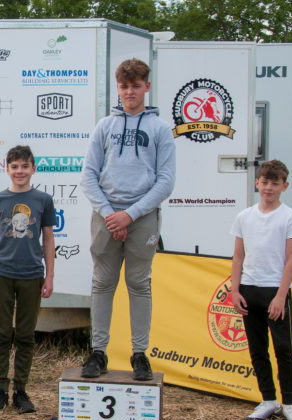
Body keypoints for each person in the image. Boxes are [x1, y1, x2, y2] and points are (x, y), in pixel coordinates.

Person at [79, 58, 175, 381]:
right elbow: (88, 176)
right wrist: (110, 215)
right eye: (124, 86)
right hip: (106, 216)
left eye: (135, 86)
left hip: (142, 216)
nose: (129, 92)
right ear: (117, 88)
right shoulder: (105, 126)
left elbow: (166, 181)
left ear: (147, 86)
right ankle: (98, 352)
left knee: (139, 283)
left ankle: (139, 354)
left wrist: (130, 215)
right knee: (102, 283)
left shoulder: (160, 129)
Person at [0, 145, 55, 414]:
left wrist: (49, 276)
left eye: (24, 166)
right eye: (14, 166)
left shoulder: (43, 200)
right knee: (0, 335)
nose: (19, 171)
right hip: (1, 274)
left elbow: (48, 238)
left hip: (32, 275)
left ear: (33, 169)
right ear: (7, 169)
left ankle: (20, 391)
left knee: (25, 336)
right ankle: (0, 390)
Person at [230, 160, 292, 420]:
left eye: (275, 183)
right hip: (249, 289)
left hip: (276, 290)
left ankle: (290, 404)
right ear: (256, 183)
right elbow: (238, 257)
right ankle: (268, 400)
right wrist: (235, 290)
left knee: (283, 348)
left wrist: (281, 296)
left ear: (284, 186)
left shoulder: (289, 216)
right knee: (257, 349)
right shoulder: (244, 216)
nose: (269, 188)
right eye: (264, 182)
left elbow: (291, 259)